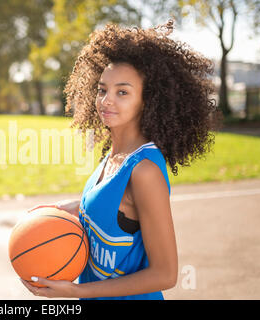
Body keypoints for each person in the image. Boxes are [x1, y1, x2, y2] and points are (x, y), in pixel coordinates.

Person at [21, 20, 221, 300]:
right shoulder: (112, 156)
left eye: (122, 92)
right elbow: (119, 211)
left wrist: (77, 291)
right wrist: (71, 208)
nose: (106, 100)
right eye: (102, 90)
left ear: (148, 100)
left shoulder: (144, 171)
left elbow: (166, 274)